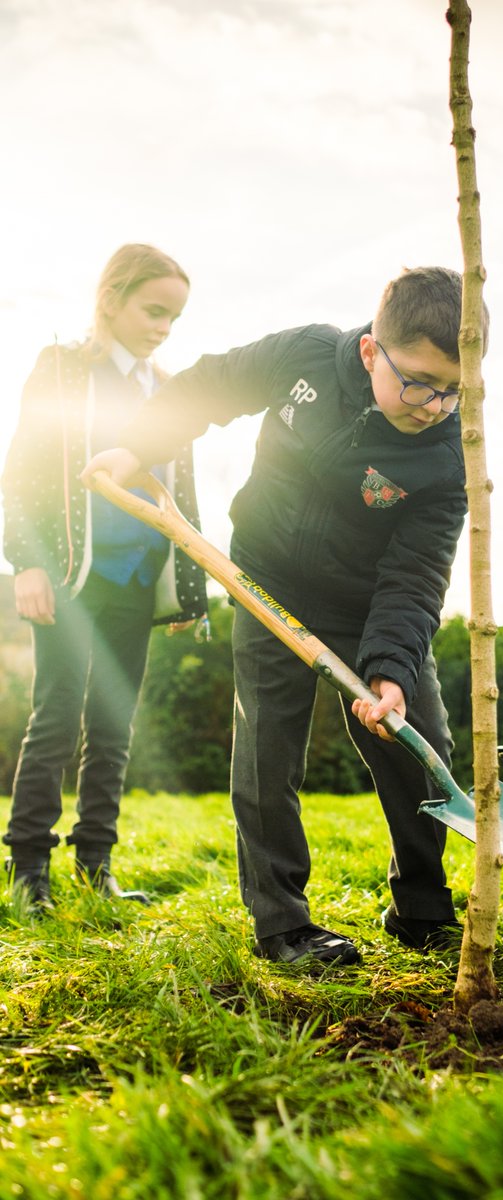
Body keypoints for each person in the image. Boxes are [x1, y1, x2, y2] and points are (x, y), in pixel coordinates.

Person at [83, 265, 489, 965]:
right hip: (267, 581)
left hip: (371, 608)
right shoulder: (306, 356)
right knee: (268, 748)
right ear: (371, 352)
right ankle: (283, 925)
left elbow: (417, 576)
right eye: (418, 382)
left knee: (418, 749)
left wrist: (391, 669)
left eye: (454, 390)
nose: (434, 405)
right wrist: (137, 444)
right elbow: (211, 385)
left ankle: (422, 908)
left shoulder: (448, 458)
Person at [2, 243, 208, 911]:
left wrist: (192, 585)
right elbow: (24, 470)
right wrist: (26, 562)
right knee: (57, 713)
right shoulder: (61, 368)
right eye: (153, 311)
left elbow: (184, 488)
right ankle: (29, 868)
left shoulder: (167, 388)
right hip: (69, 573)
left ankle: (97, 864)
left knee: (115, 722)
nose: (162, 328)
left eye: (174, 318)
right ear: (112, 299)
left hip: (139, 575)